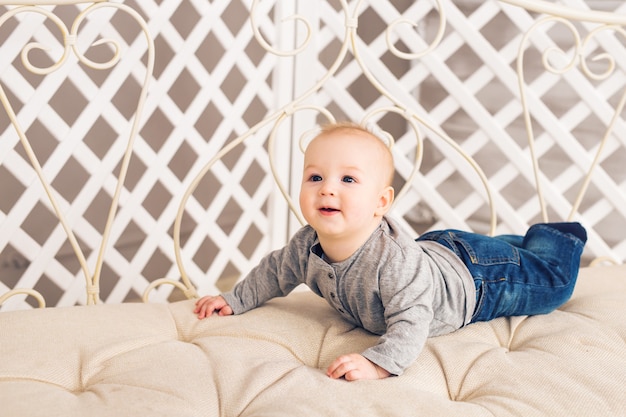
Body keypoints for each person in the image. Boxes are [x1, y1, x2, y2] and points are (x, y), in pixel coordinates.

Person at [194, 121, 587, 381]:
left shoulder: (392, 263)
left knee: (553, 284)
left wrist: (378, 362)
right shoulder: (306, 245)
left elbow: (413, 322)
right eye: (315, 176)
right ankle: (511, 246)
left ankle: (557, 236)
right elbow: (274, 272)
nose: (327, 188)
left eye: (348, 179)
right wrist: (235, 300)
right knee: (500, 252)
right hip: (437, 251)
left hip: (475, 282)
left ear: (381, 202)